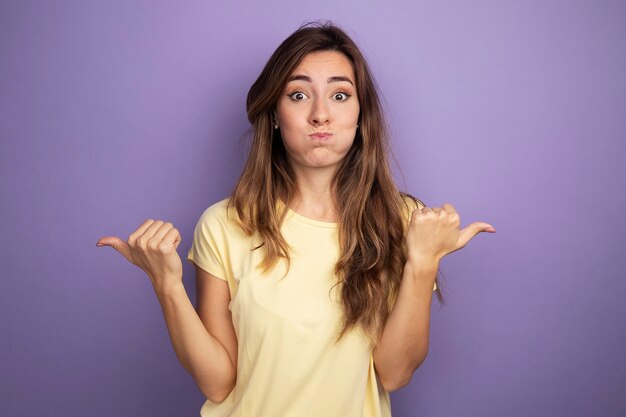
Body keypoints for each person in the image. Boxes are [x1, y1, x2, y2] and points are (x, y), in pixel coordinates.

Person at [96, 22, 494, 417]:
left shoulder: (400, 219)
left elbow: (394, 373)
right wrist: (167, 285)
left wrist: (423, 263)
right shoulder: (223, 224)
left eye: (340, 95)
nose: (320, 115)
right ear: (273, 113)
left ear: (361, 115)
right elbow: (218, 382)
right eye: (299, 95)